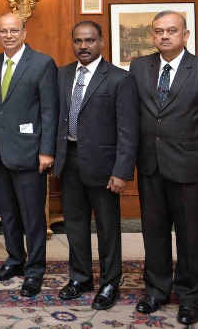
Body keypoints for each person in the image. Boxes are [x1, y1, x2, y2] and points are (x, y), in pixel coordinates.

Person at [130, 10, 198, 325]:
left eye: (171, 31)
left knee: (189, 236)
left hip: (189, 166)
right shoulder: (139, 67)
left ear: (185, 35)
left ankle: (189, 298)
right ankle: (156, 291)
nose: (164, 36)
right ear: (152, 35)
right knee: (154, 233)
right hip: (150, 165)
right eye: (158, 31)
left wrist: (192, 147)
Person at [54, 21, 139, 310]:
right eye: (78, 41)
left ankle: (110, 282)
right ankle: (80, 277)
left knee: (107, 227)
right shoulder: (63, 74)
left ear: (102, 41)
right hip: (70, 160)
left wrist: (122, 171)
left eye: (89, 40)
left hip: (105, 166)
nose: (83, 46)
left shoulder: (119, 78)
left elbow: (128, 130)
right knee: (74, 224)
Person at [0, 13, 58, 297]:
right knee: (8, 214)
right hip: (1, 153)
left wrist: (47, 150)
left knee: (33, 217)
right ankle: (15, 260)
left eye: (14, 30)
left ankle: (35, 269)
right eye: (3, 31)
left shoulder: (42, 63)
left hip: (30, 154)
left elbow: (50, 111)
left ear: (24, 32)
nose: (9, 35)